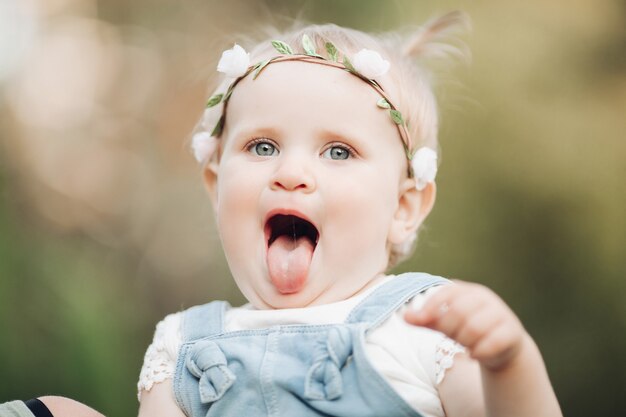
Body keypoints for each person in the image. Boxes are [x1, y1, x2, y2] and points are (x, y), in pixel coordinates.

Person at [136, 13, 563, 417]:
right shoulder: (182, 349)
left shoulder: (424, 328)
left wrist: (510, 364)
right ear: (216, 187)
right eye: (263, 147)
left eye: (338, 151)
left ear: (403, 207)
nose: (290, 174)